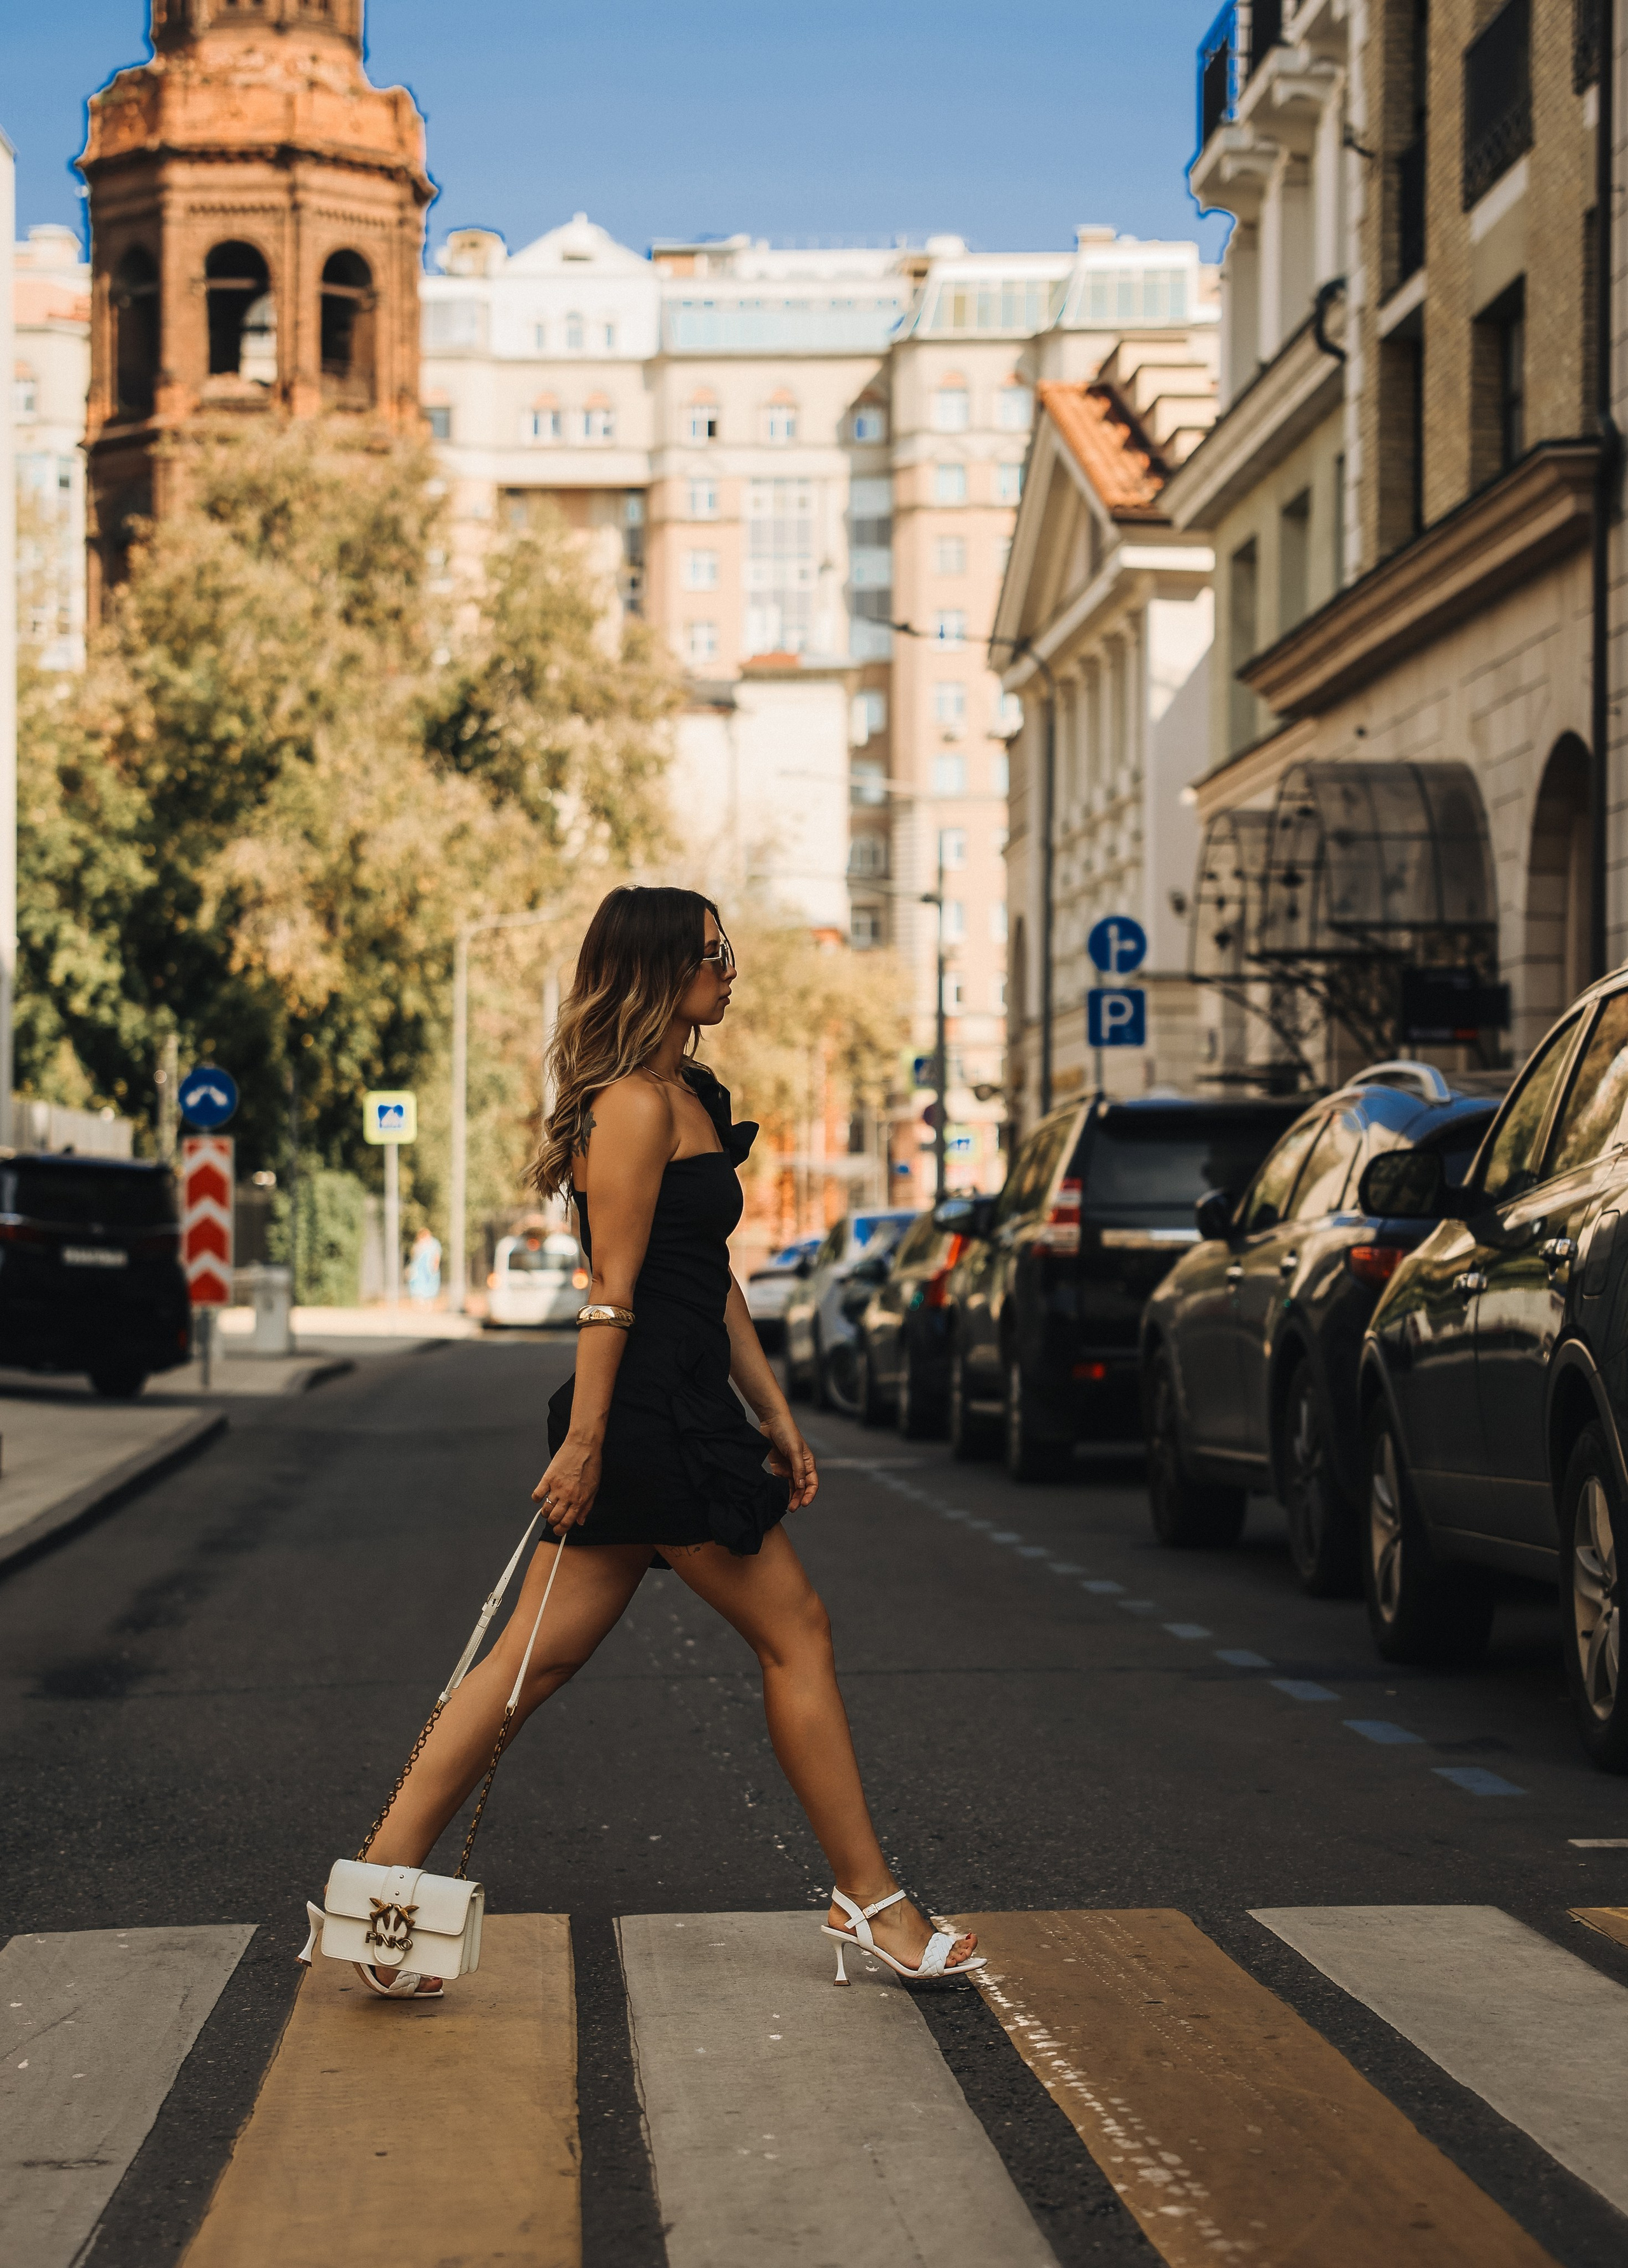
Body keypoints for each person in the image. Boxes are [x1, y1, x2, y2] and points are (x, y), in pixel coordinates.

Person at [350, 885, 981, 1997]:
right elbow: (611, 1291)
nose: (729, 969)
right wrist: (589, 1441)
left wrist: (776, 1411)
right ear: (657, 972)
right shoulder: (633, 1106)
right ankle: (870, 1899)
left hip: (682, 1408)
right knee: (796, 1634)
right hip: (648, 1423)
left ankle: (381, 1901)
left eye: (724, 949)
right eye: (710, 953)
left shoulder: (682, 1089)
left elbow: (708, 1281)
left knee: (519, 1670)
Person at [406, 1226, 441, 1306]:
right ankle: (419, 1300)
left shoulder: (434, 1243)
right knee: (418, 1284)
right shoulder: (418, 1244)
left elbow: (437, 1256)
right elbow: (414, 1256)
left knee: (430, 1284)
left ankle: (428, 1301)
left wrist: (435, 1266)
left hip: (429, 1268)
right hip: (419, 1269)